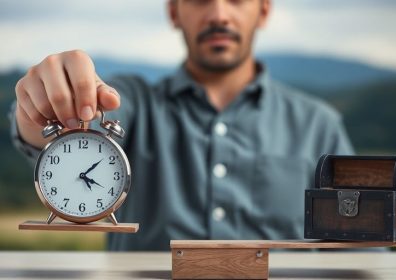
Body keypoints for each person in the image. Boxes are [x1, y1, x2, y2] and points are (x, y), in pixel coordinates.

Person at [11, 0, 353, 250]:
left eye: (236, 0)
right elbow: (65, 135)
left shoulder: (319, 125)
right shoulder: (132, 101)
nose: (219, 14)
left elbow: (360, 248)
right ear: (174, 12)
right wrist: (39, 111)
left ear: (263, 10)